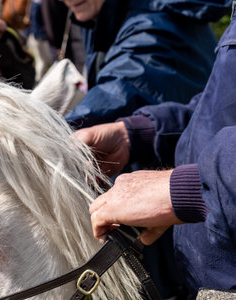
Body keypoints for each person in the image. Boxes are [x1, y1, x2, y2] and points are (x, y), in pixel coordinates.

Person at [76, 6, 236, 297]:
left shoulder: (154, 20)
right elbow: (221, 109)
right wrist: (140, 134)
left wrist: (186, 189)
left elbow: (137, 72)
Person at [59, 0, 231, 128]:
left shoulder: (152, 21)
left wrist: (48, 134)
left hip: (174, 166)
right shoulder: (103, 15)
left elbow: (124, 88)